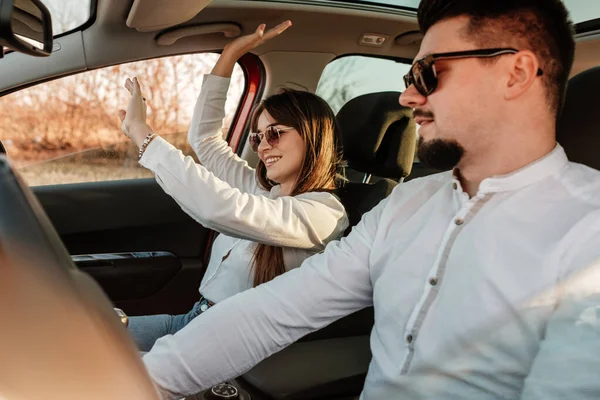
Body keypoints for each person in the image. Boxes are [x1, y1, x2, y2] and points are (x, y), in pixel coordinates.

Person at [142, 0, 600, 399]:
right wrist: (141, 382)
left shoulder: (589, 230)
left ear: (515, 73)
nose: (407, 94)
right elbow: (273, 311)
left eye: (427, 73)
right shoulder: (407, 205)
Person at [117, 21, 349, 351]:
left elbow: (218, 207)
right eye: (258, 136)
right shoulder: (265, 191)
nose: (263, 146)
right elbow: (206, 140)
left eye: (275, 133)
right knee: (82, 335)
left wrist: (142, 133)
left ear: (312, 136)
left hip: (227, 344)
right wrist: (230, 55)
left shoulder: (323, 214)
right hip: (195, 321)